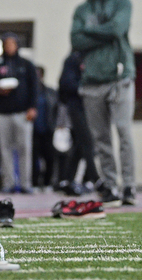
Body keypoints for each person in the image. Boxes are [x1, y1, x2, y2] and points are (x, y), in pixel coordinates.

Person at [71, 0, 136, 207]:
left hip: (120, 77)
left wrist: (91, 30)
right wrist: (104, 31)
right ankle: (110, 186)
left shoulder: (122, 3)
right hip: (92, 81)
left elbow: (118, 29)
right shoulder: (82, 9)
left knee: (123, 132)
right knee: (101, 138)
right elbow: (76, 40)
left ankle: (128, 185)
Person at [0, 32, 38, 194]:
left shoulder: (26, 65)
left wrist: (32, 107)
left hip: (22, 113)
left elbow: (34, 87)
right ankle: (8, 182)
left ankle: (25, 183)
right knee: (5, 148)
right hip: (2, 113)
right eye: (6, 44)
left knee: (24, 148)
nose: (9, 47)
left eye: (12, 44)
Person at [56, 50, 99, 195]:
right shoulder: (73, 59)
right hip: (77, 107)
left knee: (80, 145)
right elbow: (65, 84)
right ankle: (95, 179)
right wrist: (85, 88)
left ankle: (67, 180)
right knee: (87, 142)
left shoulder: (95, 56)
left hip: (92, 107)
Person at [31, 66, 58, 190]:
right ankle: (35, 182)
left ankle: (48, 182)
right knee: (34, 158)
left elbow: (56, 110)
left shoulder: (50, 92)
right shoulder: (29, 93)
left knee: (49, 157)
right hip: (34, 130)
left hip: (48, 129)